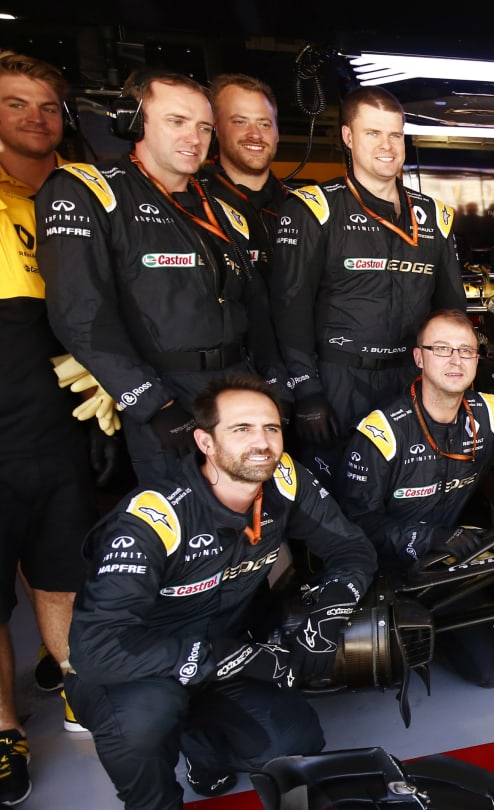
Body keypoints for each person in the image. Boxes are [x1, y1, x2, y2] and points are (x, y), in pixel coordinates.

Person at [65, 373, 377, 809]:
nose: (262, 442)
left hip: (222, 655)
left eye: (271, 428)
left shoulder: (284, 479)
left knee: (296, 741)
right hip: (133, 672)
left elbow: (351, 548)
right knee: (146, 719)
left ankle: (204, 751)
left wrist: (329, 612)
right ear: (205, 442)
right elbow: (94, 651)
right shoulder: (155, 518)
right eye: (241, 429)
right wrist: (225, 656)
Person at [37, 68, 285, 484]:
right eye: (176, 122)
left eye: (204, 127)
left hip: (240, 388)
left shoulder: (222, 209)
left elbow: (255, 306)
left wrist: (274, 385)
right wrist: (153, 405)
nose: (193, 137)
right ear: (135, 123)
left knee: (256, 513)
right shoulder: (88, 191)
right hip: (167, 391)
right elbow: (80, 313)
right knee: (186, 526)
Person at [342, 310, 494, 687]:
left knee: (493, 670)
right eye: (442, 349)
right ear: (419, 358)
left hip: (449, 560)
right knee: (385, 669)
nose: (455, 360)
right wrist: (428, 536)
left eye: (466, 351)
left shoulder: (488, 411)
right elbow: (354, 525)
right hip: (388, 570)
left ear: (477, 361)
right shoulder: (381, 432)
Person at [0, 49, 105, 804]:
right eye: (15, 104)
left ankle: (70, 680)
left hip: (73, 424)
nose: (35, 118)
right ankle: (4, 731)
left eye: (46, 105)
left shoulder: (88, 191)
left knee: (64, 568)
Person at [270, 86, 465, 486]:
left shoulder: (435, 216)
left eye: (395, 135)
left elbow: (452, 313)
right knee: (340, 496)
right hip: (340, 379)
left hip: (412, 380)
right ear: (348, 137)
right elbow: (290, 310)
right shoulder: (314, 209)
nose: (387, 146)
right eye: (372, 133)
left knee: (413, 487)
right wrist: (307, 390)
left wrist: (454, 377)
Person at [202, 74, 288, 276]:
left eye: (264, 124)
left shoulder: (299, 207)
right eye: (240, 122)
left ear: (277, 133)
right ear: (216, 128)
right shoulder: (196, 202)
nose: (255, 134)